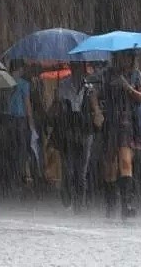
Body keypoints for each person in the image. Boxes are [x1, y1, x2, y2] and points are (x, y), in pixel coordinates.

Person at [90, 50, 141, 218]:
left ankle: (126, 203)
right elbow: (94, 93)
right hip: (110, 121)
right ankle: (110, 202)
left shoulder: (136, 75)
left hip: (127, 122)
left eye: (129, 57)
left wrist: (127, 87)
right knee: (110, 164)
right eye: (123, 56)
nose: (126, 60)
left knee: (126, 161)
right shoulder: (106, 74)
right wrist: (97, 112)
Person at [52, 62, 96, 213]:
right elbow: (56, 107)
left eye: (81, 68)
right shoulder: (63, 85)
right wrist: (59, 103)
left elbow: (95, 110)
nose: (79, 71)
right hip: (69, 130)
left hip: (85, 130)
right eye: (75, 67)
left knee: (81, 171)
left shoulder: (90, 88)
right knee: (69, 168)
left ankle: (80, 203)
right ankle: (67, 197)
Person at [2, 60, 34, 195]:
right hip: (20, 120)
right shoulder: (24, 84)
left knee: (10, 150)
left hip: (7, 118)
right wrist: (31, 122)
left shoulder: (6, 82)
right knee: (21, 150)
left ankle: (8, 179)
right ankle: (19, 177)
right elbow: (27, 104)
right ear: (20, 68)